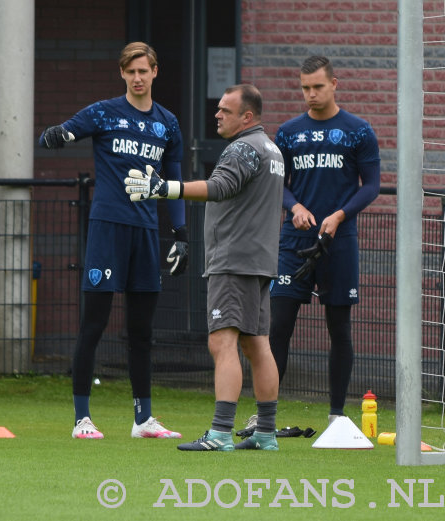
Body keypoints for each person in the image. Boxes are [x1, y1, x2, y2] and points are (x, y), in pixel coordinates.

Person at [39, 41, 187, 439]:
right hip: (107, 229)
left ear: (156, 72)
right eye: (130, 71)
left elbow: (173, 181)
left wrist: (181, 234)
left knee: (142, 331)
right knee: (94, 324)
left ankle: (143, 420)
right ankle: (81, 419)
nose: (138, 78)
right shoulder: (104, 112)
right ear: (122, 73)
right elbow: (59, 134)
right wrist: (56, 136)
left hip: (145, 234)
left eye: (144, 70)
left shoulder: (167, 123)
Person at [126, 84, 285, 451]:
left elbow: (219, 187)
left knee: (222, 341)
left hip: (234, 260)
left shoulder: (244, 147)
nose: (217, 114)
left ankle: (220, 434)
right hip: (260, 261)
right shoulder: (271, 149)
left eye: (225, 110)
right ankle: (264, 434)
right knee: (257, 344)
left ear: (247, 117)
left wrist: (164, 188)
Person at [269, 56, 380, 424]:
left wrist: (339, 215)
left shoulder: (358, 130)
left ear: (335, 84)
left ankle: (336, 417)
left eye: (317, 86)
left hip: (339, 241)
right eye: (305, 88)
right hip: (292, 241)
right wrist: (295, 205)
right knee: (279, 325)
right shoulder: (287, 132)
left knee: (339, 329)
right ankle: (264, 415)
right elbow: (277, 186)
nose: (311, 94)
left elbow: (373, 186)